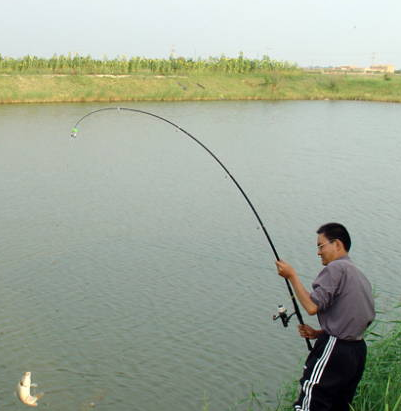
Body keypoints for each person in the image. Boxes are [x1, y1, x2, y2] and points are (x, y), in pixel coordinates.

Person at [276, 222, 375, 411]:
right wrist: (320, 333)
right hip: (357, 352)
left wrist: (291, 276)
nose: (318, 252)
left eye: (321, 246)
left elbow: (312, 307)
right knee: (338, 406)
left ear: (337, 244)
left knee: (311, 403)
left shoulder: (335, 268)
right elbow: (360, 319)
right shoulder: (358, 274)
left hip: (335, 348)